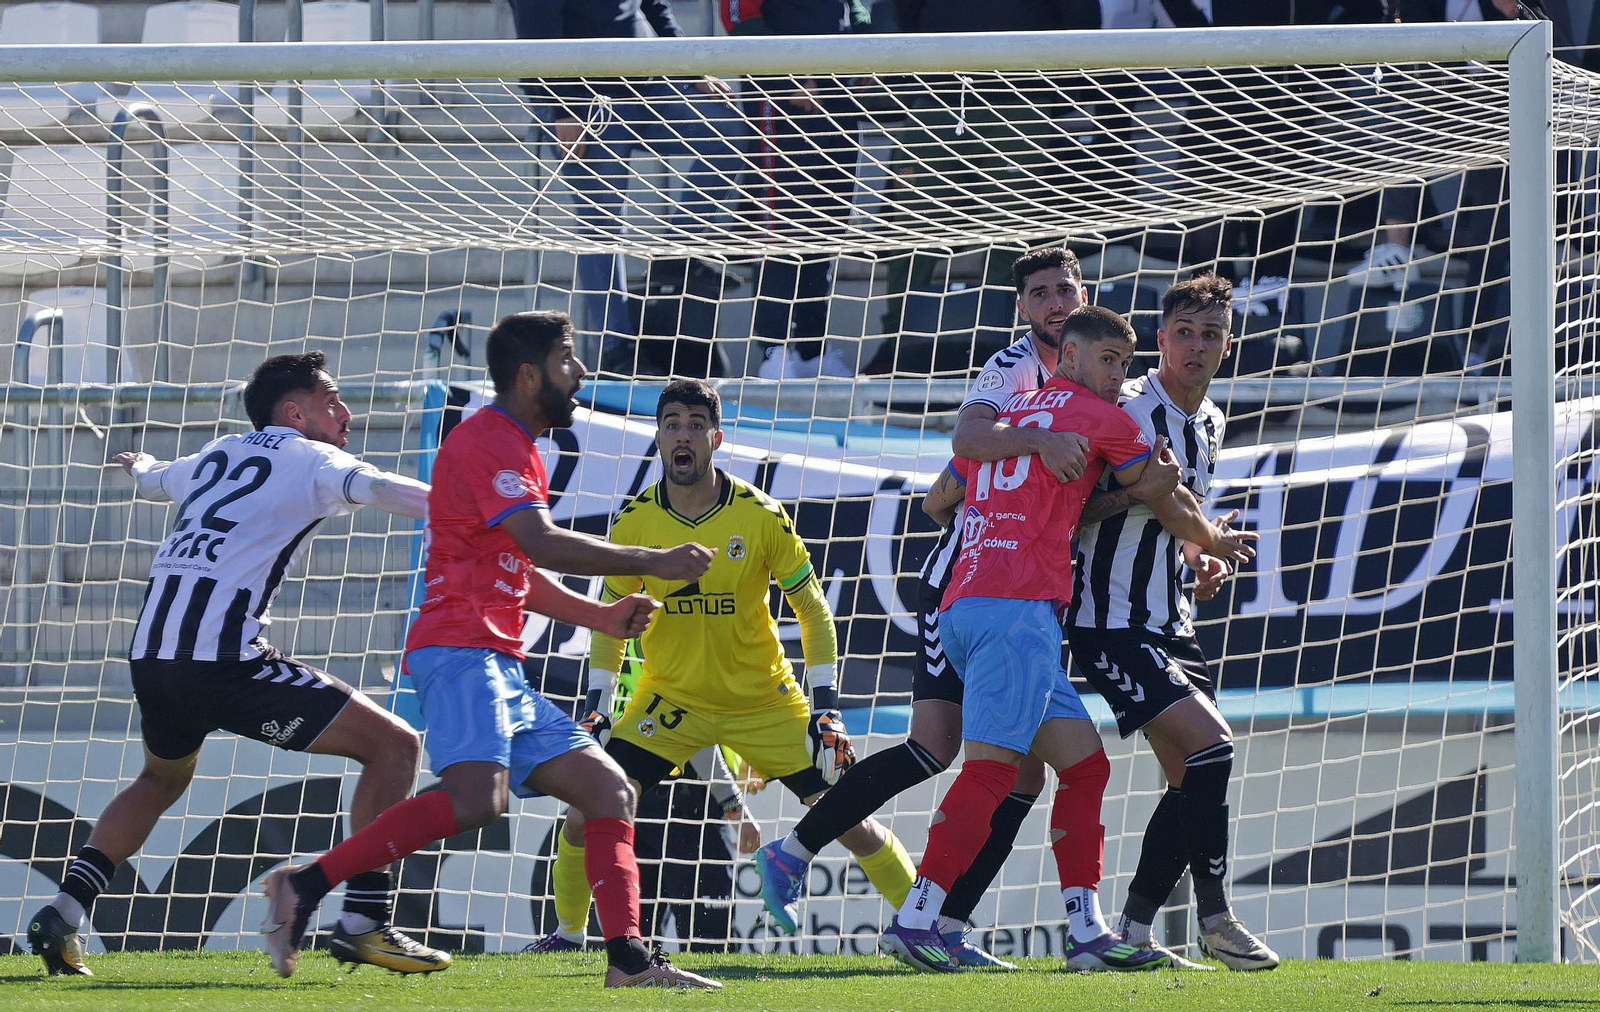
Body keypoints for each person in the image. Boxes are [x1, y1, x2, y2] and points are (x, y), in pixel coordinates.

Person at [258, 312, 721, 989]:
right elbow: (538, 542)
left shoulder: (519, 447)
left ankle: (629, 959)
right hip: (458, 651)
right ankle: (306, 883)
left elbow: (518, 571)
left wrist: (602, 614)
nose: (581, 371)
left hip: (498, 662)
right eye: (568, 358)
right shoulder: (489, 443)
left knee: (607, 788)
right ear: (530, 375)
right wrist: (654, 559)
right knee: (480, 800)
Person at [758, 246, 1128, 968]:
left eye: (1066, 289)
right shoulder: (1016, 371)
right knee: (947, 752)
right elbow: (954, 464)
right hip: (975, 585)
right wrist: (1032, 468)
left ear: (1084, 295)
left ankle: (945, 923)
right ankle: (819, 862)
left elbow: (950, 491)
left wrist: (1055, 496)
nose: (1055, 302)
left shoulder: (1095, 380)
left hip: (1006, 590)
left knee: (1027, 767)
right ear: (1025, 307)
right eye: (1042, 293)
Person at [26, 353, 445, 977]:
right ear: (294, 412)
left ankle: (63, 911)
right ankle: (364, 921)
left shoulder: (218, 455)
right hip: (223, 664)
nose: (346, 412)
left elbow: (155, 478)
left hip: (154, 656)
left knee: (160, 780)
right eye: (331, 400)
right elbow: (383, 490)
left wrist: (138, 463)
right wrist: (471, 513)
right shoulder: (313, 458)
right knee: (396, 748)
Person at [880, 305, 1255, 972]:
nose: (1118, 376)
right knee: (994, 771)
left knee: (1085, 765)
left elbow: (941, 498)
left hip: (969, 602)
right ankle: (917, 920)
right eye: (1107, 361)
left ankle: (1087, 933)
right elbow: (1162, 492)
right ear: (1072, 358)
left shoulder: (1011, 415)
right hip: (1016, 610)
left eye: (1123, 363)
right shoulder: (1106, 419)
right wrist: (1204, 532)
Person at [532, 378, 917, 945]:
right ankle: (566, 936)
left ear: (715, 438)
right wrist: (599, 703)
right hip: (671, 701)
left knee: (850, 820)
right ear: (659, 439)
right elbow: (609, 617)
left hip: (763, 702)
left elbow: (813, 613)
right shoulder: (636, 520)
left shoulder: (760, 515)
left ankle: (924, 925)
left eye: (694, 425)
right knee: (587, 808)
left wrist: (826, 708)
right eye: (671, 425)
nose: (682, 436)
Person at [1068, 274, 1278, 970]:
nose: (1196, 346)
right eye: (1183, 333)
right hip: (1107, 622)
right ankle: (1216, 917)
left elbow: (1178, 513)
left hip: (1172, 620)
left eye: (1210, 334)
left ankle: (1128, 933)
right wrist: (1140, 493)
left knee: (1193, 774)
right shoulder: (1123, 408)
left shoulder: (1211, 421)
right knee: (1212, 746)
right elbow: (1069, 509)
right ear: (1159, 340)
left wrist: (1200, 552)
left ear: (1227, 344)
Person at [510, 0, 753, 373]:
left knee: (728, 133)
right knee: (602, 222)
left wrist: (695, 72)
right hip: (583, 99)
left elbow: (655, 6)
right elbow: (535, 32)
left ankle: (675, 254)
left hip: (646, 84)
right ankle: (618, 349)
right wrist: (562, 109)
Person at [526, 640, 760, 951]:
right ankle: (570, 936)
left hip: (683, 796)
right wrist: (734, 806)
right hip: (645, 788)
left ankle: (569, 936)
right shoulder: (626, 634)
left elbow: (703, 718)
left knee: (702, 936)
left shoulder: (688, 627)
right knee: (639, 932)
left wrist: (746, 760)